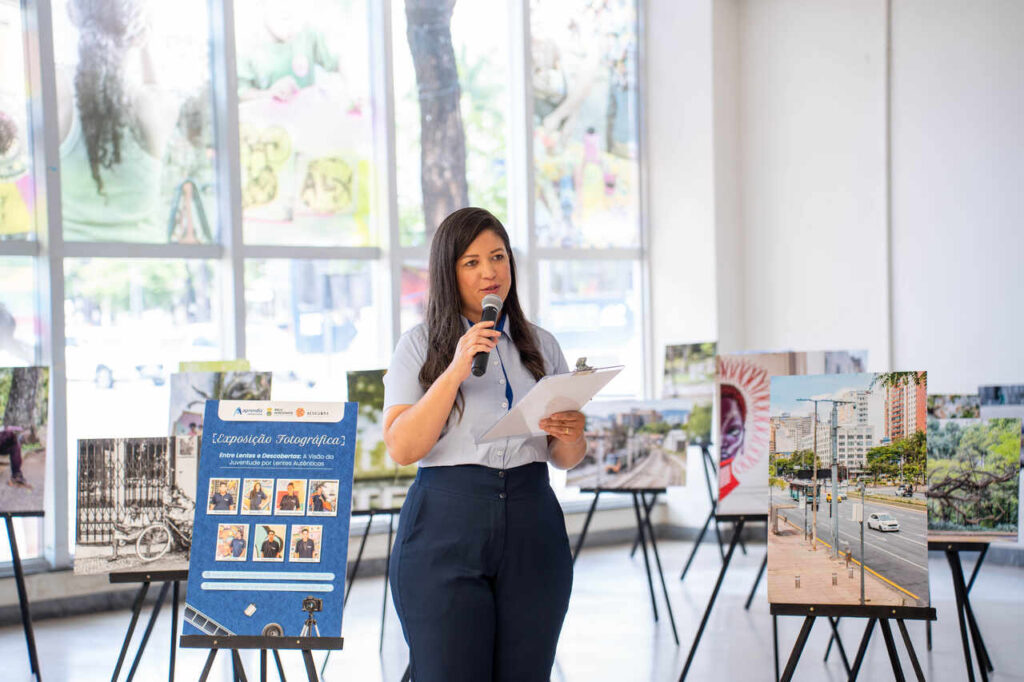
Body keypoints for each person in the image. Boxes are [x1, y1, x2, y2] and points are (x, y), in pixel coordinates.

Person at [383, 207, 586, 681]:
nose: (489, 271)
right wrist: (456, 367)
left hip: (532, 522)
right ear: (448, 272)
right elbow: (402, 448)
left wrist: (572, 435)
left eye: (497, 257)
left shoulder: (541, 345)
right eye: (471, 262)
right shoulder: (419, 345)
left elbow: (564, 460)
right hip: (445, 524)